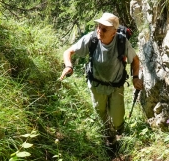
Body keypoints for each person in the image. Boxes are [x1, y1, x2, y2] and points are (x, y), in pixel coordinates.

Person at [59, 12, 143, 146]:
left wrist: (136, 78)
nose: (99, 31)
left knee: (117, 118)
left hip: (116, 86)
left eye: (104, 29)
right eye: (98, 27)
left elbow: (135, 60)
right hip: (96, 86)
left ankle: (122, 136)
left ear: (114, 32)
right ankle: (110, 139)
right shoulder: (91, 39)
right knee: (101, 115)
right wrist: (69, 66)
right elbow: (68, 52)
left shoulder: (121, 41)